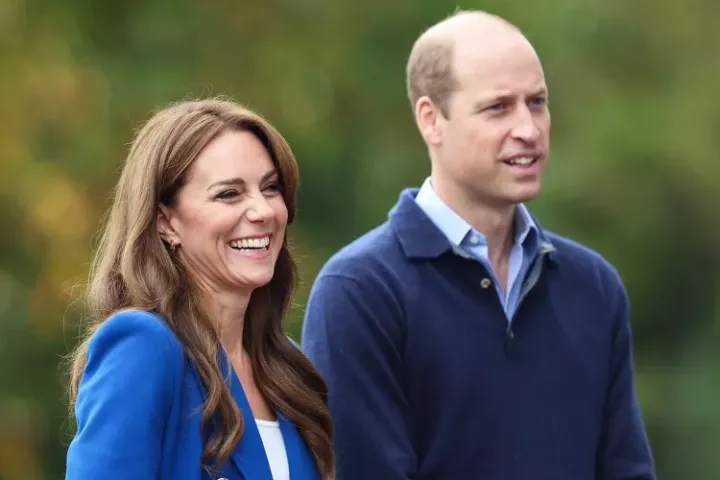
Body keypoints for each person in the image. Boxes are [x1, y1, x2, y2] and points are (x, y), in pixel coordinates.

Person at [301, 10, 656, 480]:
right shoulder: (359, 292)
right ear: (431, 120)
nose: (529, 128)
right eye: (498, 107)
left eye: (537, 102)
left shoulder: (593, 286)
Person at [64, 98, 334, 480]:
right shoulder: (144, 346)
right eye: (229, 194)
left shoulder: (285, 367)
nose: (263, 211)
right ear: (165, 222)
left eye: (271, 188)